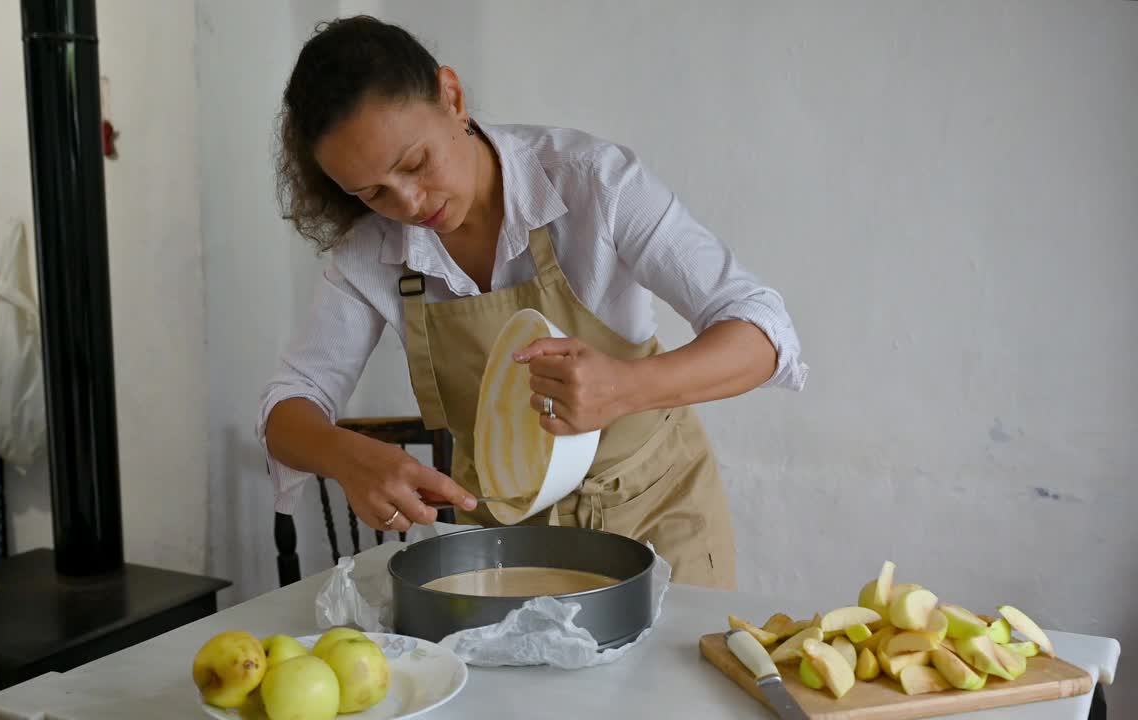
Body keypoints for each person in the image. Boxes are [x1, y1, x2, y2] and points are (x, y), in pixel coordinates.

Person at [258, 16, 806, 588]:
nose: (410, 203)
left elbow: (763, 330)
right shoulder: (372, 250)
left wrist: (624, 387)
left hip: (657, 516)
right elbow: (289, 405)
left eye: (416, 164)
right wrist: (343, 455)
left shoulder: (595, 183)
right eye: (371, 192)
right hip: (505, 543)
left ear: (452, 96)